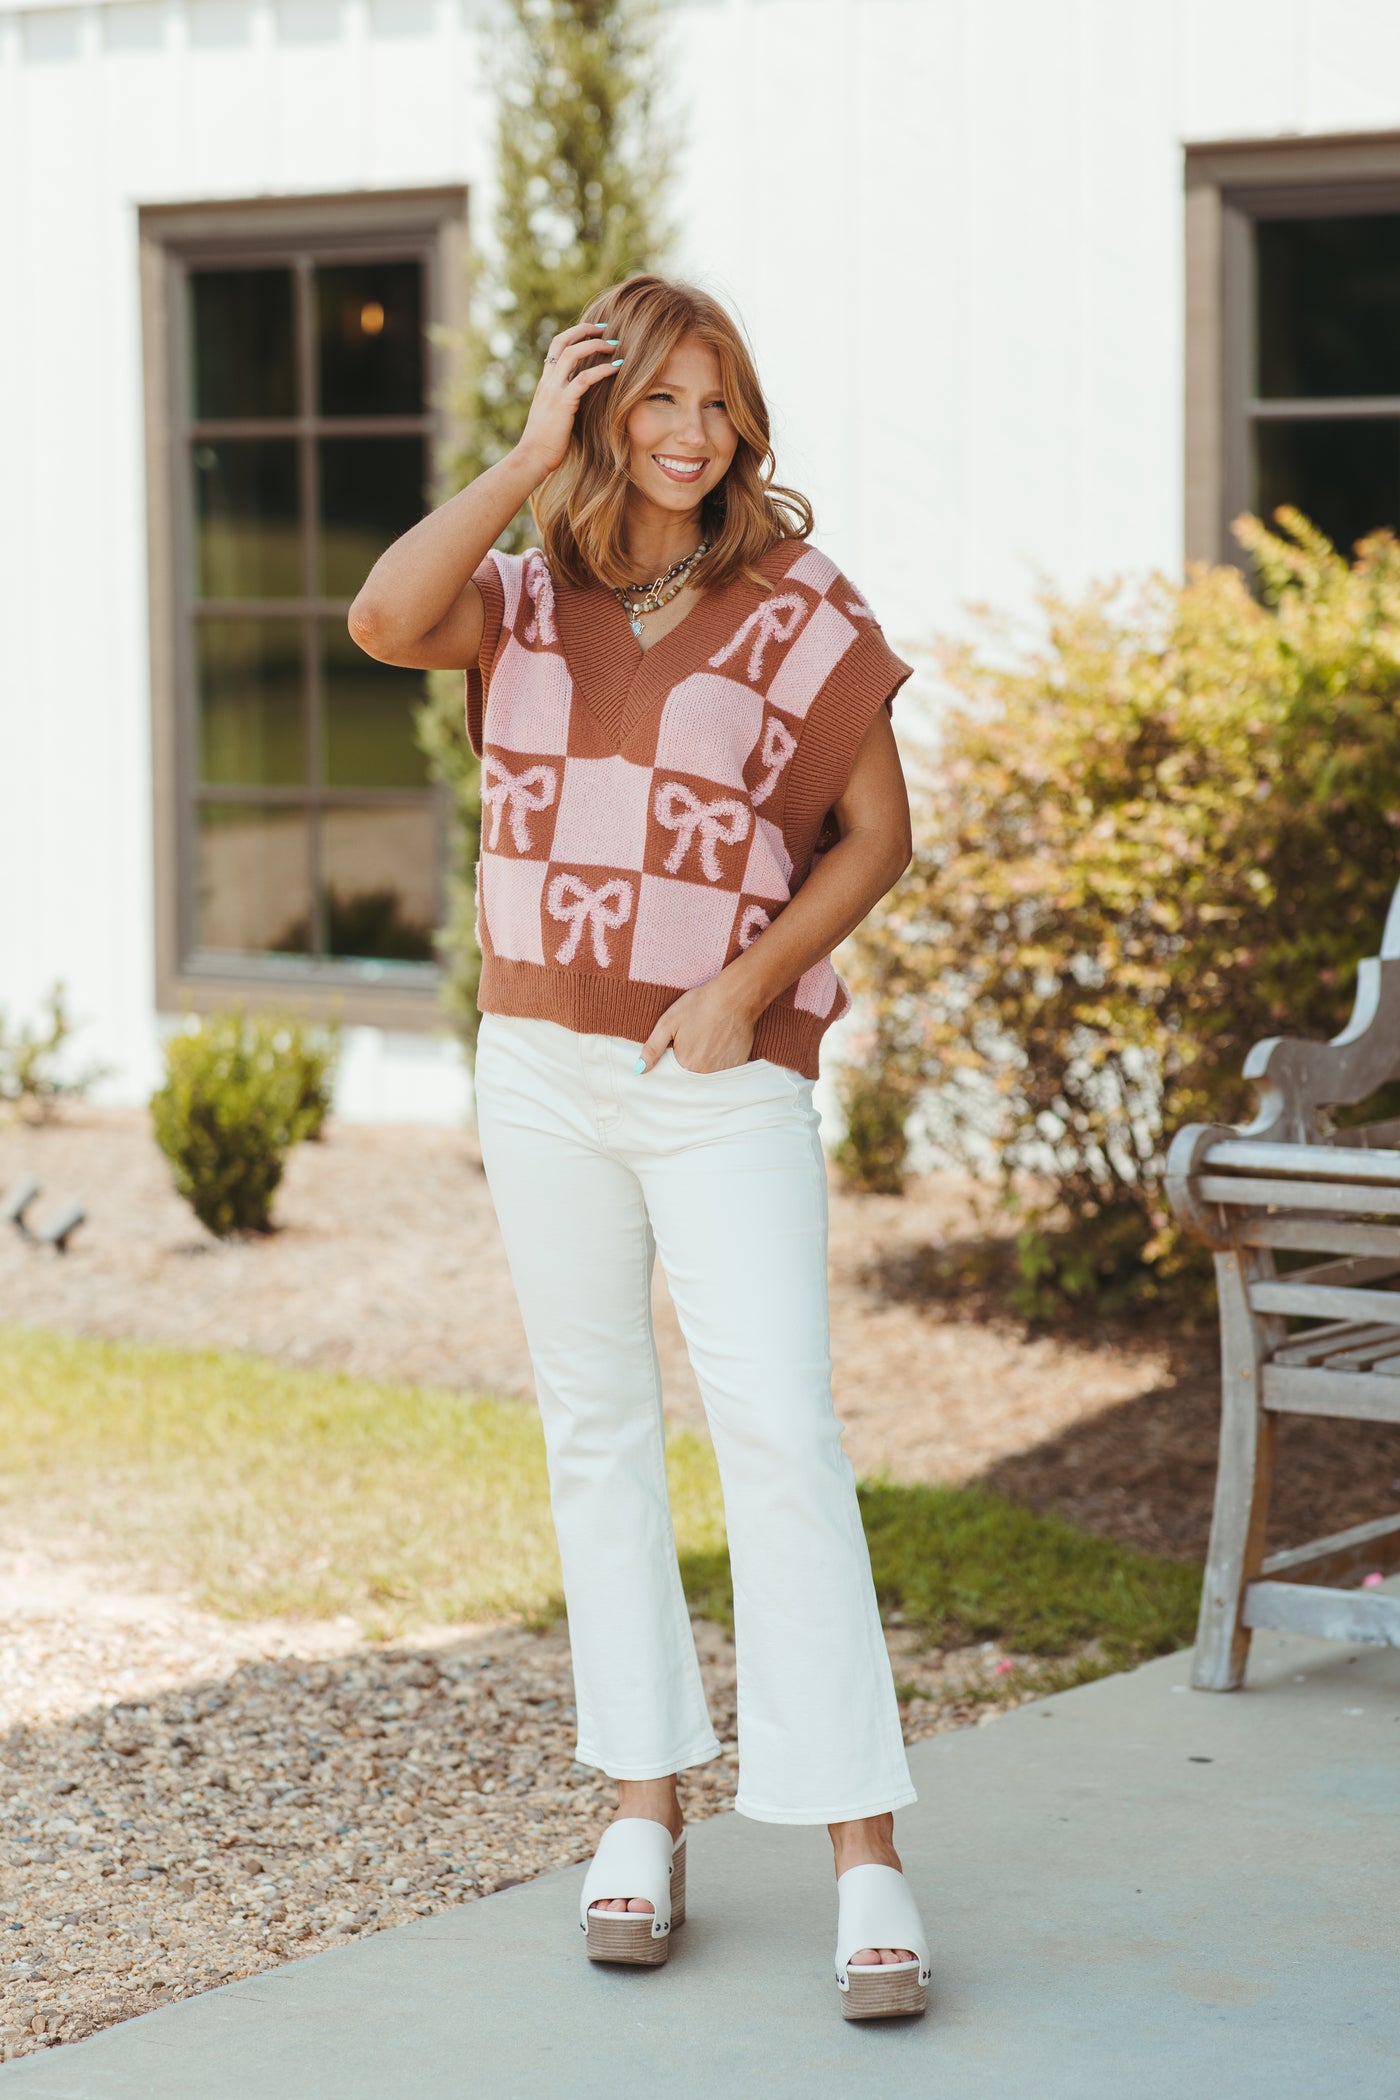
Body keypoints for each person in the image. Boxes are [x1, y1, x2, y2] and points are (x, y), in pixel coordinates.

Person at [349, 274, 930, 2021]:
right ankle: (639, 1811)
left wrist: (747, 985)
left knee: (780, 1431)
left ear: (745, 422)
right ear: (604, 414)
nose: (689, 437)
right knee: (597, 1428)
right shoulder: (523, 599)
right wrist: (526, 454)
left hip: (718, 1074)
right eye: (653, 403)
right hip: (537, 1063)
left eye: (716, 405)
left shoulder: (800, 605)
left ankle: (863, 1846)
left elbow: (876, 835)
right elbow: (384, 615)